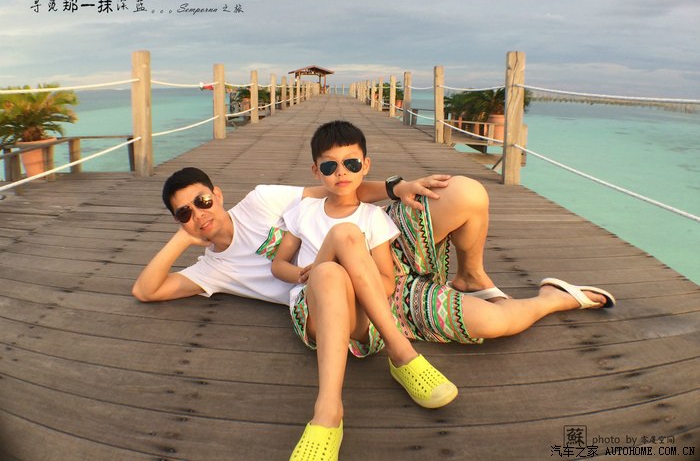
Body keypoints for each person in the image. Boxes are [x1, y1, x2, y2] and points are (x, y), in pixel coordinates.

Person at [133, 121, 615, 458]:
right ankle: (332, 409)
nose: (199, 214)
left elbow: (342, 188)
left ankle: (532, 292)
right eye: (184, 212)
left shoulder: (264, 201)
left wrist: (397, 187)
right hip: (329, 302)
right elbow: (147, 290)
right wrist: (183, 237)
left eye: (202, 201)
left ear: (217, 193)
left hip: (383, 275)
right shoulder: (212, 269)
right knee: (329, 269)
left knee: (485, 281)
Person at [270, 120, 457, 460]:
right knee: (335, 251)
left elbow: (386, 282)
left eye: (351, 163)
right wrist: (300, 273)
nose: (341, 172)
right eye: (330, 166)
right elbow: (278, 265)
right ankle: (397, 356)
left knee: (345, 241)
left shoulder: (373, 217)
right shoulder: (303, 211)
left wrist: (357, 278)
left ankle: (328, 414)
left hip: (360, 318)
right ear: (316, 171)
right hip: (313, 311)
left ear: (365, 165)